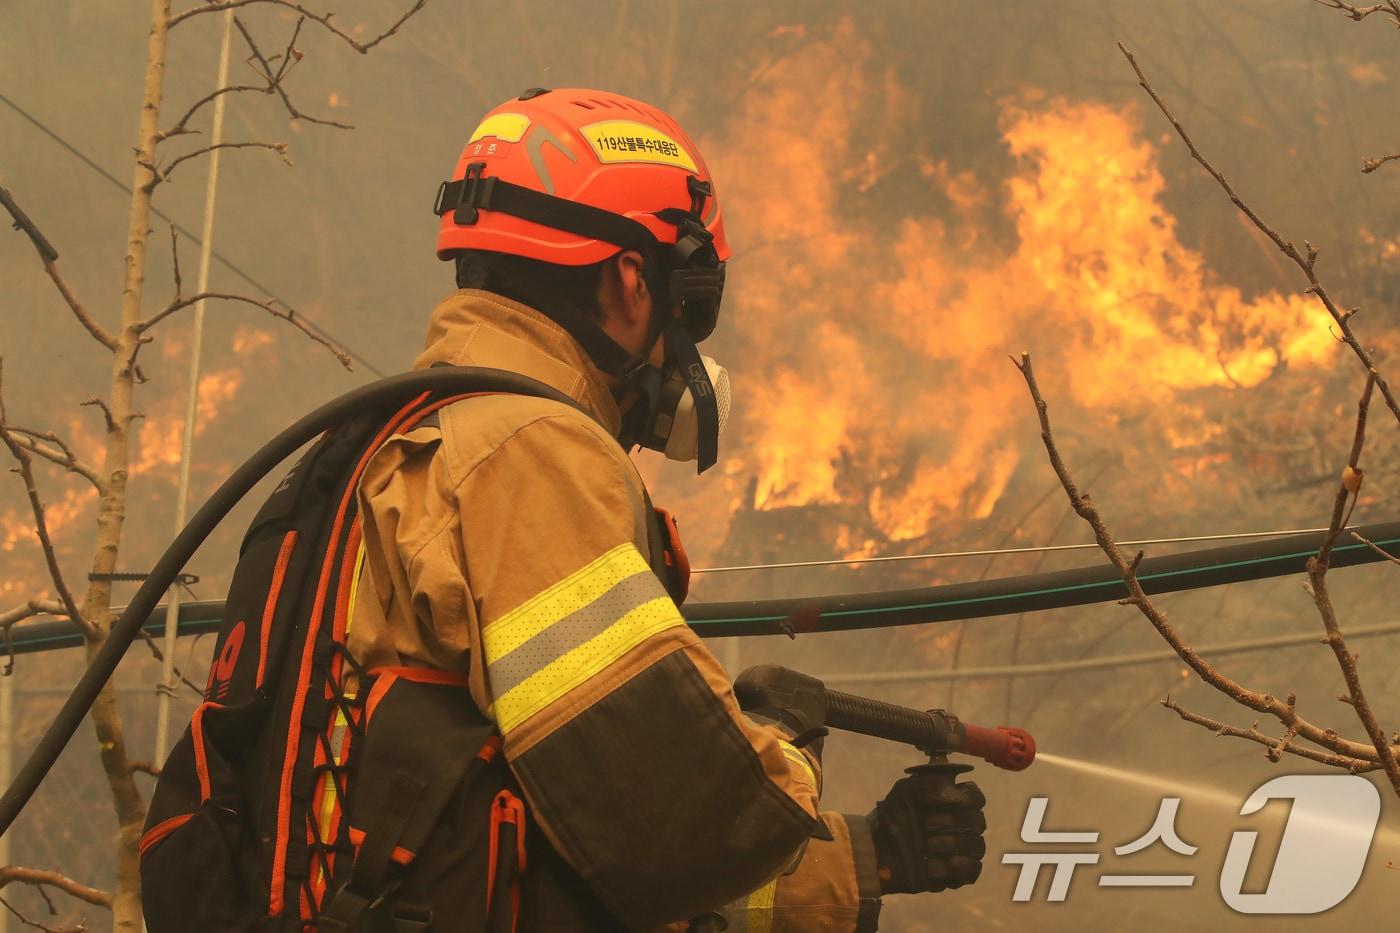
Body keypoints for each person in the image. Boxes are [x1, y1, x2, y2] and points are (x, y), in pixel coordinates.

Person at [342, 87, 986, 931]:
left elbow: (568, 845)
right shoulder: (532, 456)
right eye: (695, 300)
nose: (688, 338)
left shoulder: (386, 438)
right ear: (631, 280)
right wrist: (780, 747)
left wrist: (867, 859)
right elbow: (679, 830)